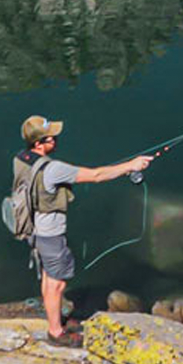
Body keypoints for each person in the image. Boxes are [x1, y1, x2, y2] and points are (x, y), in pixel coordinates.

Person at [15, 115, 151, 346]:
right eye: (51, 138)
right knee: (57, 283)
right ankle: (56, 332)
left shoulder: (21, 159)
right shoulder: (52, 169)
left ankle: (54, 321)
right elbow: (96, 175)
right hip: (50, 234)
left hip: (33, 229)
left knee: (49, 277)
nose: (56, 140)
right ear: (39, 143)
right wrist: (131, 165)